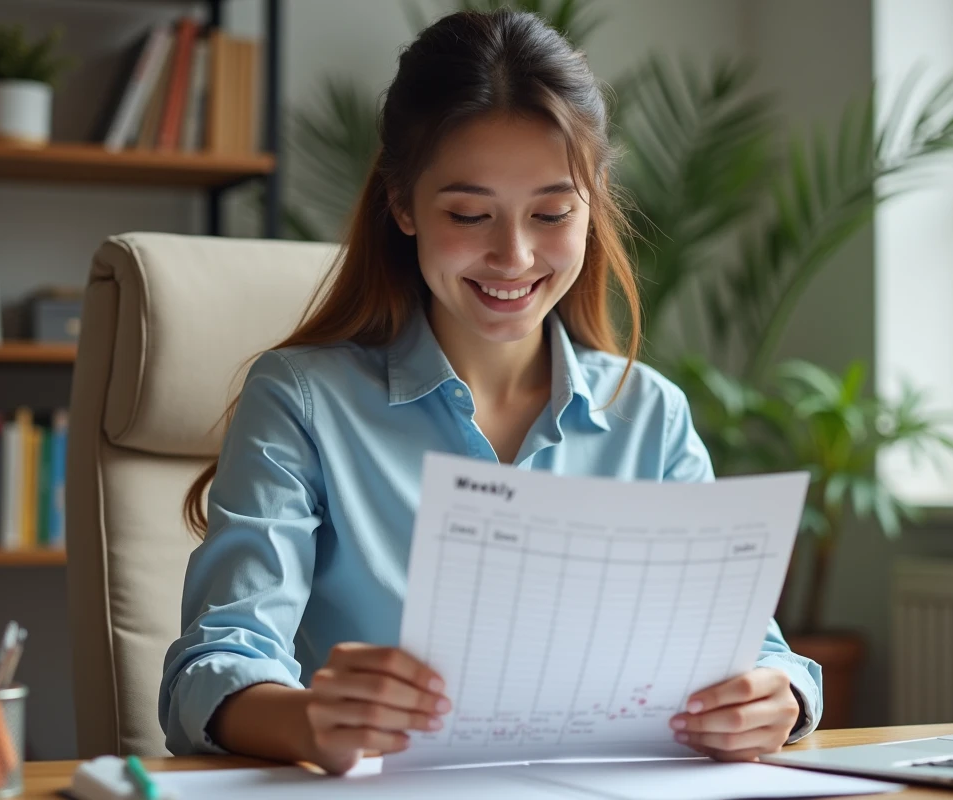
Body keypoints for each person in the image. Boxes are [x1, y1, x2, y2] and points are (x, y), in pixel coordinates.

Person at [159, 8, 823, 776]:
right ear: (402, 205)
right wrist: (309, 720)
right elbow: (213, 664)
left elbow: (756, 654)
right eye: (470, 214)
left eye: (551, 213)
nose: (513, 256)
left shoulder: (650, 415)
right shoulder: (303, 400)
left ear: (592, 207)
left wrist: (778, 698)